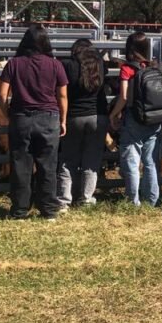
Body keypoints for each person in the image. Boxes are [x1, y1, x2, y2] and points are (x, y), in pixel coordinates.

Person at [0, 24, 68, 221]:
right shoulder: (56, 65)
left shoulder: (14, 64)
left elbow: (2, 95)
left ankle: (20, 211)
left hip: (21, 118)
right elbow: (62, 96)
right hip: (49, 118)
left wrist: (9, 114)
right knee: (48, 166)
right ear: (46, 42)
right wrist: (62, 120)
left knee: (21, 165)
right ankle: (48, 211)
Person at [108, 32, 162, 207]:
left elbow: (124, 96)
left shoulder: (127, 68)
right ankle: (152, 200)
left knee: (132, 161)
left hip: (134, 118)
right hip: (154, 118)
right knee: (150, 161)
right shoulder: (154, 66)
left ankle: (133, 201)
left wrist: (113, 114)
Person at [57, 38, 109, 209]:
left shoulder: (68, 65)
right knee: (91, 160)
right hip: (97, 116)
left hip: (74, 117)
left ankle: (64, 200)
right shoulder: (100, 64)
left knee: (68, 159)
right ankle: (86, 199)